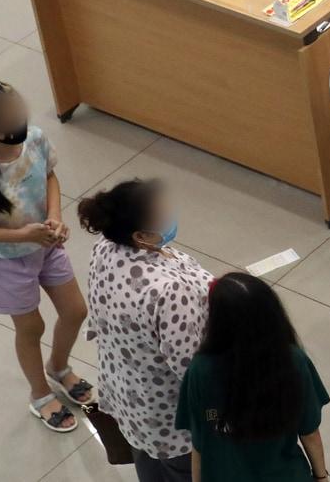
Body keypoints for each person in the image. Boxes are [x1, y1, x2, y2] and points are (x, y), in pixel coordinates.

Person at [0, 79, 93, 433]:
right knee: (31, 328)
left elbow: (50, 176)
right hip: (7, 262)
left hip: (47, 247)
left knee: (75, 311)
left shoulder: (36, 139)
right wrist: (19, 234)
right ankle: (41, 394)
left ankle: (58, 367)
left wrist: (55, 216)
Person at [79, 179, 212, 482]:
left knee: (150, 468)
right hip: (173, 419)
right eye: (161, 213)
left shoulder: (105, 247)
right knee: (184, 472)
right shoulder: (168, 291)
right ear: (140, 235)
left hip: (131, 399)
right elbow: (193, 370)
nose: (170, 213)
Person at [175, 273, 330, 482]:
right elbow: (310, 432)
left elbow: (199, 442)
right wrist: (321, 477)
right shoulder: (292, 360)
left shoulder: (200, 370)